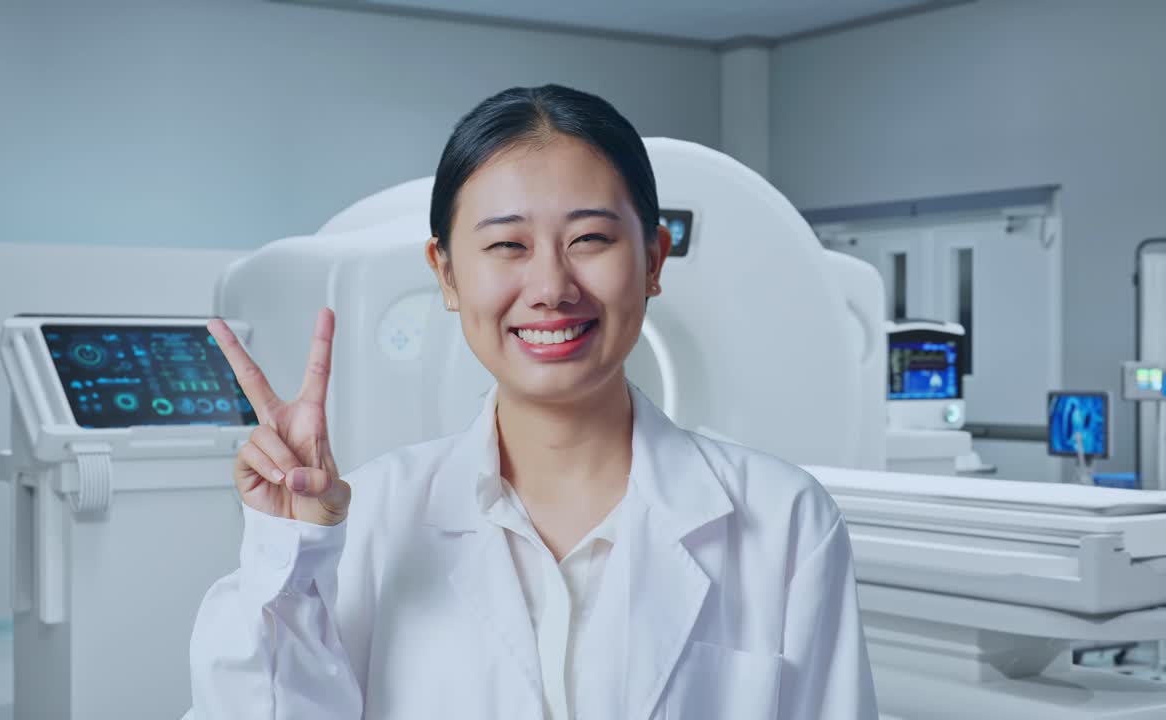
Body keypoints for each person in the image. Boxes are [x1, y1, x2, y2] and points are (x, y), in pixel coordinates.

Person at [187, 84, 878, 719]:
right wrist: (290, 551)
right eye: (507, 245)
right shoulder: (368, 521)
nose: (550, 285)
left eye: (590, 240)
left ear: (654, 261)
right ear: (447, 273)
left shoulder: (782, 521)